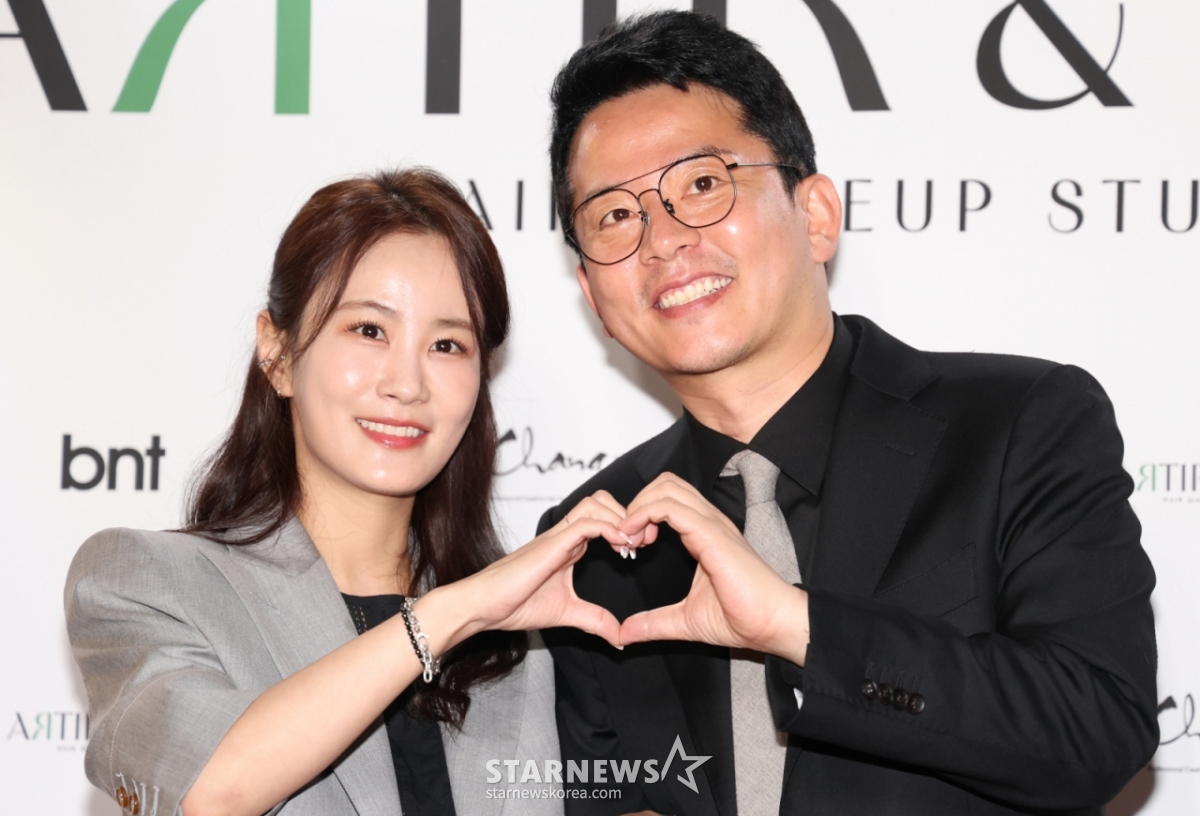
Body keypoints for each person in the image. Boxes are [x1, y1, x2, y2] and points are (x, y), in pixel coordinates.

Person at [539, 11, 1158, 816]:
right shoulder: (593, 541)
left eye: (701, 184)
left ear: (817, 215)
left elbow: (1097, 731)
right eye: (615, 216)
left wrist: (798, 628)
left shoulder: (1017, 425)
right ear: (593, 295)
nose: (662, 240)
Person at [65, 168, 631, 816]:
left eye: (448, 344)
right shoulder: (144, 582)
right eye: (369, 330)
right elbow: (208, 790)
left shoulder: (519, 644)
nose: (407, 383)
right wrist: (449, 615)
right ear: (278, 353)